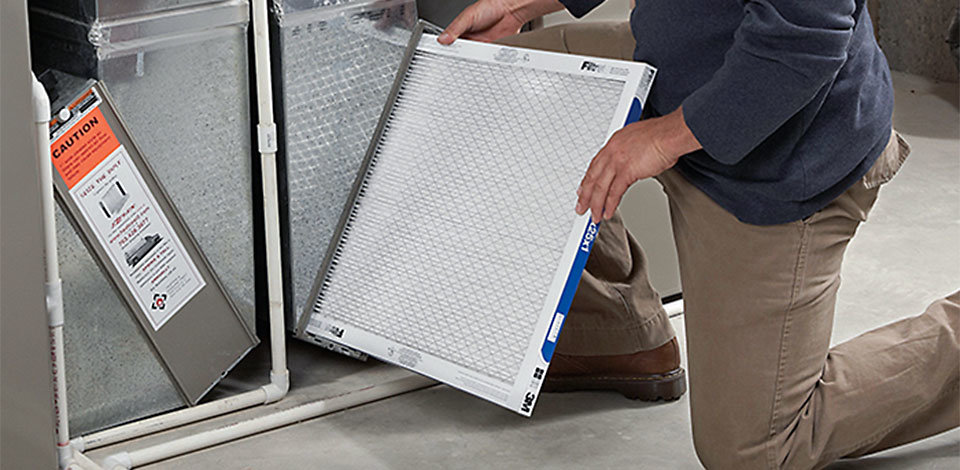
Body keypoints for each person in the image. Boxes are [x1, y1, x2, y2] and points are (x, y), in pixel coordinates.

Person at [438, 1, 960, 469]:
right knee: (486, 83)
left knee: (755, 450)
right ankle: (616, 333)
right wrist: (518, 6)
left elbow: (807, 37)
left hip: (779, 150)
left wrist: (665, 138)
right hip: (677, 63)